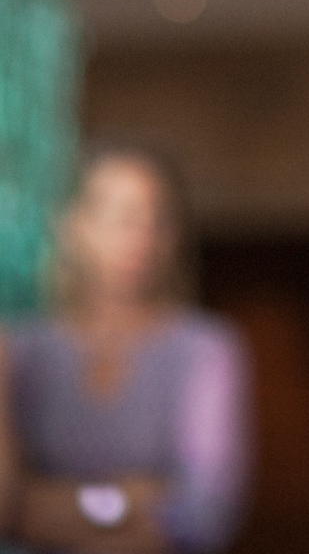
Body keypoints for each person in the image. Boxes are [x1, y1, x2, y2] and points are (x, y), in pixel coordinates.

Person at [4, 144, 250, 553]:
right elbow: (10, 511)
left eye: (157, 220)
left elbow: (206, 512)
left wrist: (61, 506)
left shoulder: (205, 349)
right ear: (73, 224)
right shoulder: (22, 350)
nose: (140, 236)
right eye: (119, 217)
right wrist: (129, 500)